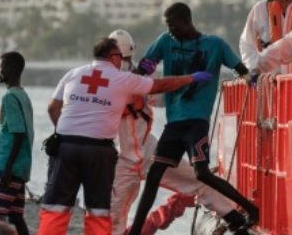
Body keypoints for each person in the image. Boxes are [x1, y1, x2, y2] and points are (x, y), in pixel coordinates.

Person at [38, 38, 212, 235]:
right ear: (113, 57)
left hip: (65, 147)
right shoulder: (120, 78)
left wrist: (65, 131)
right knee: (98, 209)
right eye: (120, 57)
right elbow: (160, 85)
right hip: (98, 151)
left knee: (55, 206)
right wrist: (191, 78)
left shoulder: (73, 74)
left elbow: (53, 108)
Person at [128, 3, 257, 235]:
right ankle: (136, 231)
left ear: (186, 22)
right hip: (174, 122)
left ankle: (250, 208)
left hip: (197, 121)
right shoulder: (166, 41)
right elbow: (145, 66)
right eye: (167, 26)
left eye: (173, 25)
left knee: (202, 173)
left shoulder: (214, 44)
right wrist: (144, 67)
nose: (170, 31)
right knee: (154, 174)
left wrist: (249, 78)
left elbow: (239, 67)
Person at [107, 30, 245, 235]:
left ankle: (234, 219)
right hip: (123, 160)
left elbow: (162, 101)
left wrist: (151, 77)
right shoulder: (107, 84)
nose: (125, 62)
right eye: (121, 58)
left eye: (128, 58)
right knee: (112, 214)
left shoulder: (142, 79)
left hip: (149, 151)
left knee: (198, 180)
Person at [0, 51, 33, 235]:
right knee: (15, 216)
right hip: (20, 168)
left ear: (11, 69)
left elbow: (18, 133)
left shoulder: (10, 97)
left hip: (7, 167)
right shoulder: (23, 95)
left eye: (0, 67)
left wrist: (7, 169)